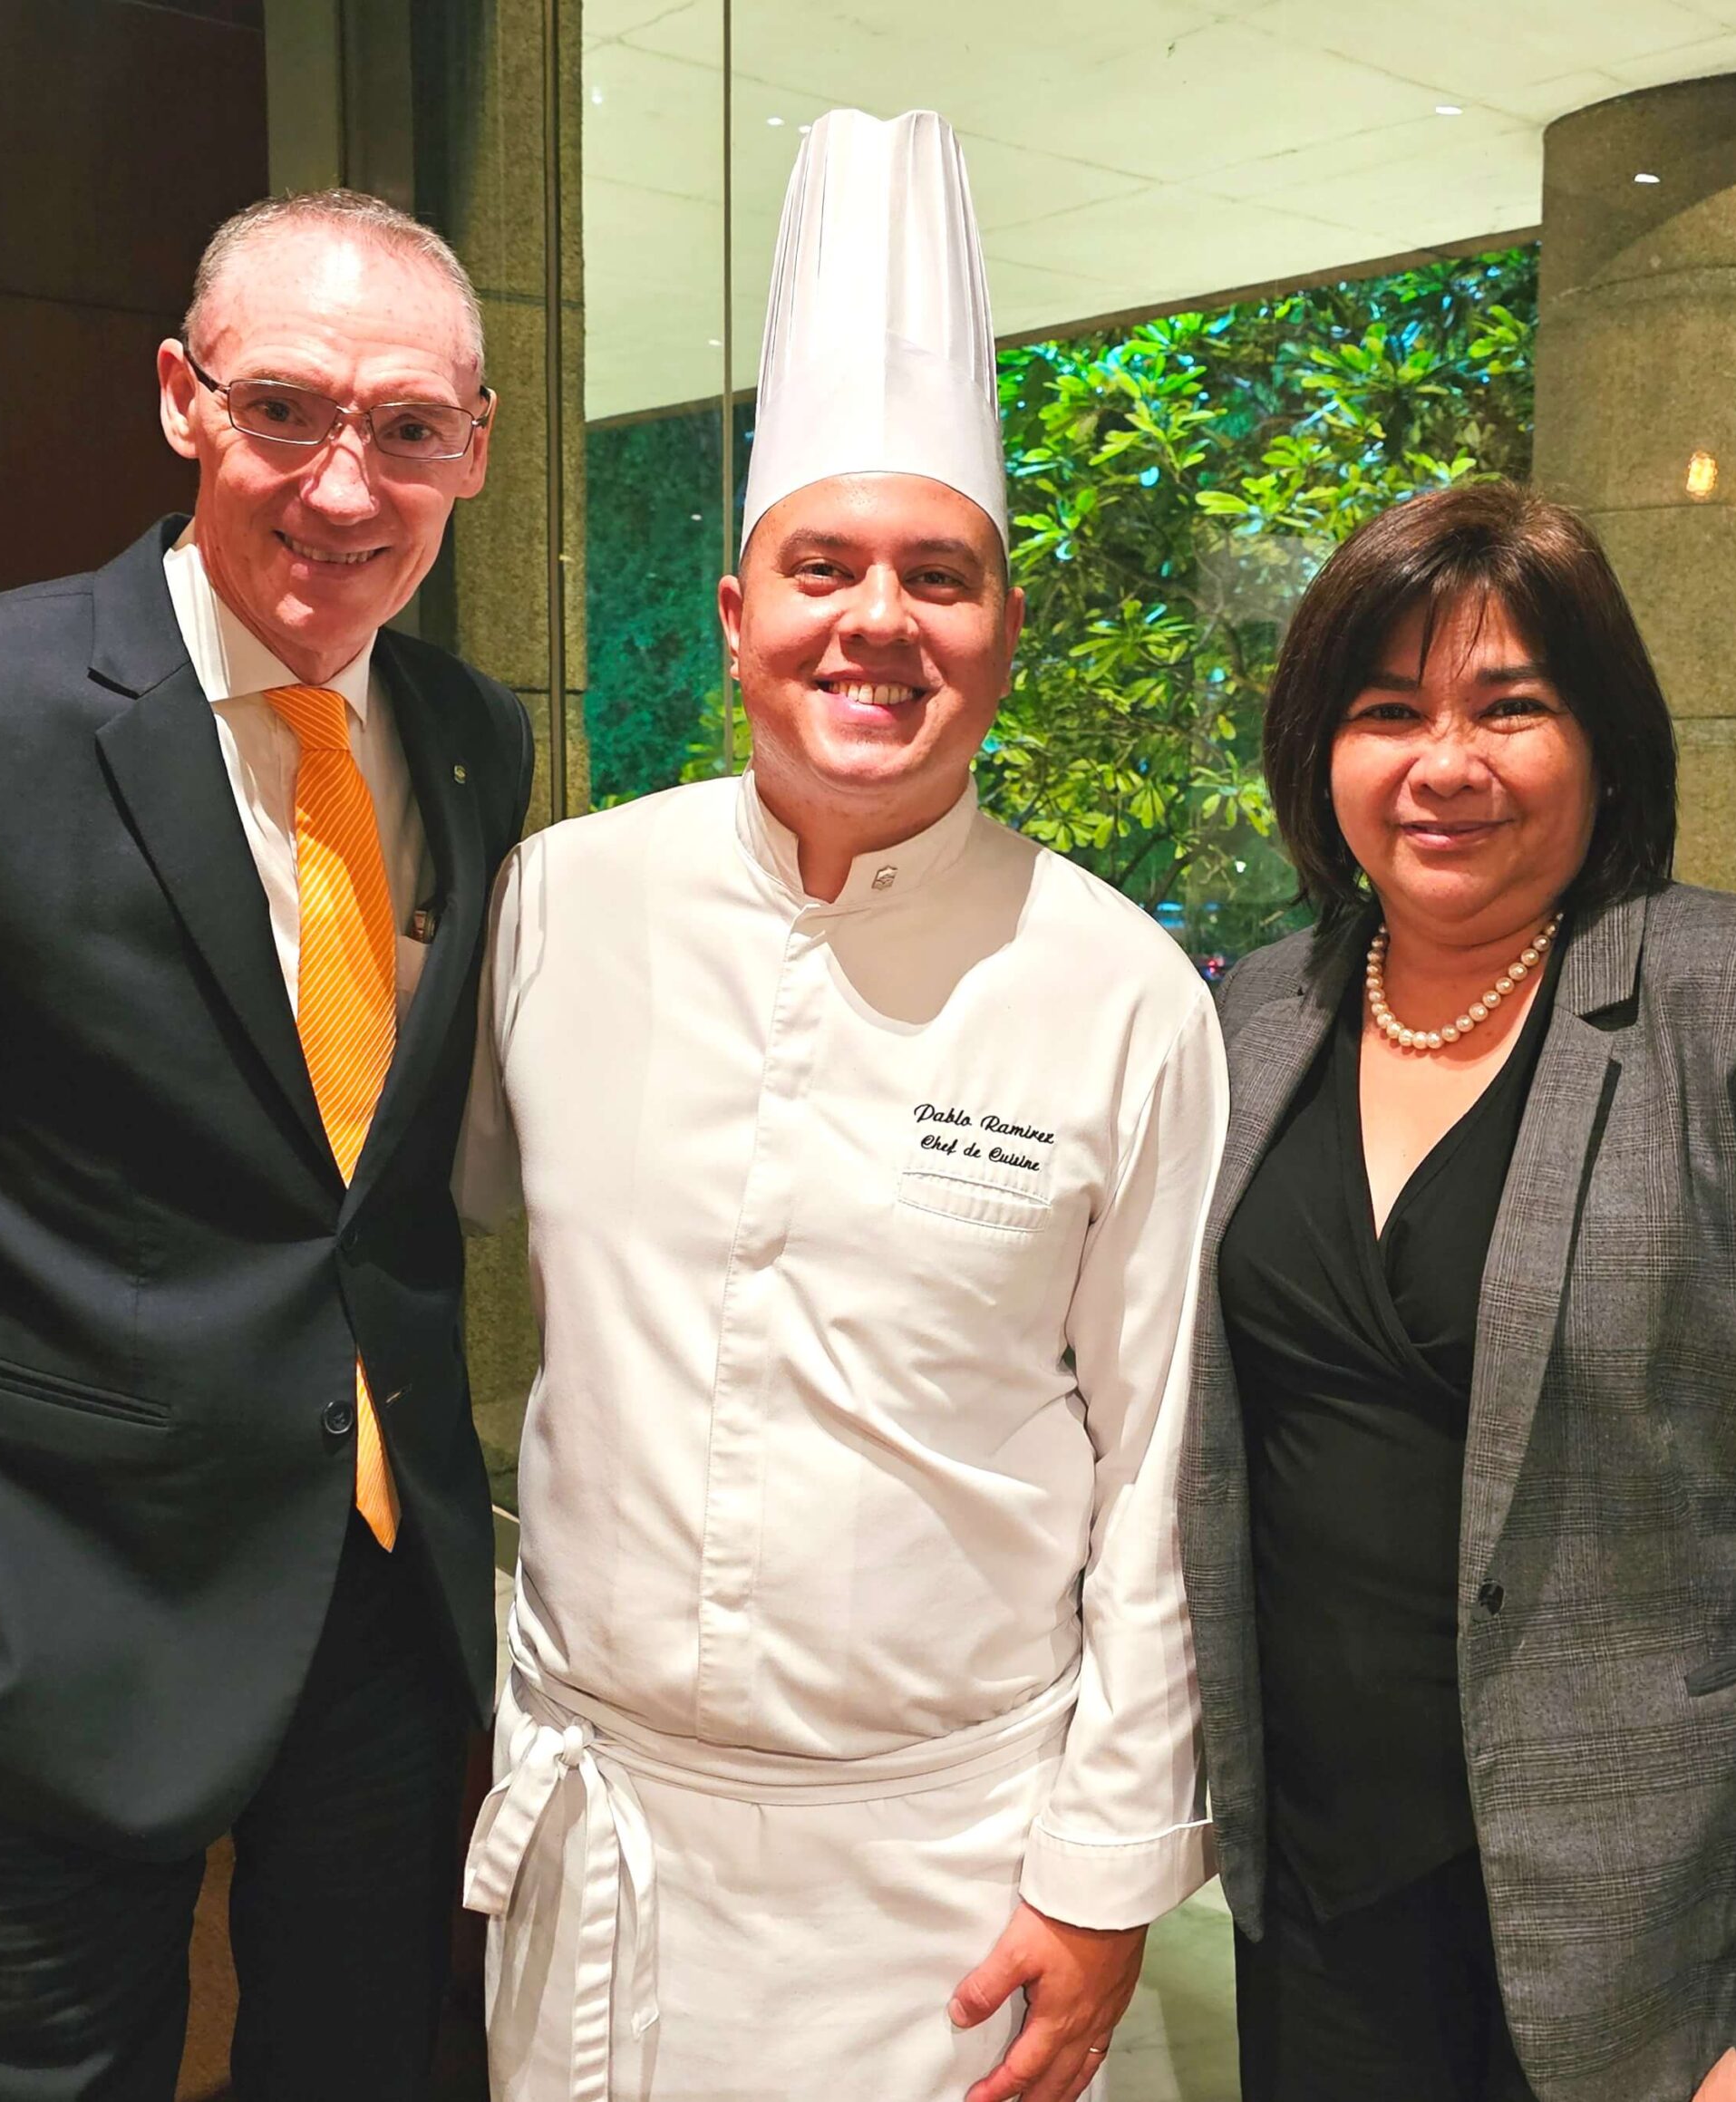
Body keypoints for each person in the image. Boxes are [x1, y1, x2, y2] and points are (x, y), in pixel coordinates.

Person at [0, 189, 531, 2100]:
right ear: (180, 397)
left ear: (473, 446)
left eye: (408, 427)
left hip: (382, 1616)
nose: (344, 485)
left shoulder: (474, 742)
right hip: (46, 1619)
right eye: (287, 410)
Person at [456, 109, 1226, 2102]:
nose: (874, 620)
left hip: (949, 1866)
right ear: (734, 617)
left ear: (1001, 629)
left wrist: (1105, 1871)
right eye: (821, 566)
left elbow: (1153, 1470)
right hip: (606, 1822)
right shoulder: (566, 897)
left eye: (936, 575)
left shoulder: (1118, 985)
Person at [1180, 480, 1736, 2102]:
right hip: (1321, 1894)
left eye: (1512, 708)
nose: (1445, 764)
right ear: (1318, 750)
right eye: (1388, 710)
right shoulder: (1254, 1014)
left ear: (1605, 739)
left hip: (1657, 1921)